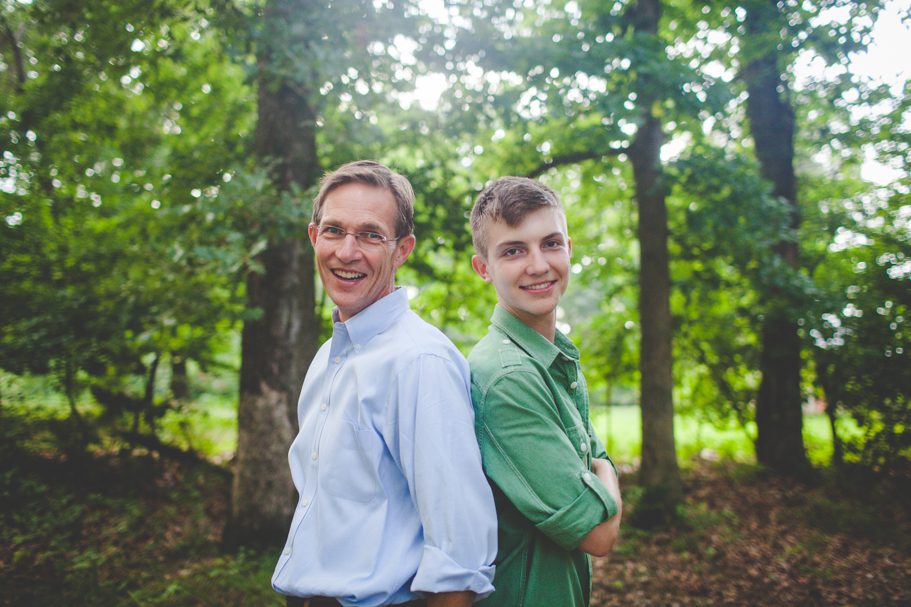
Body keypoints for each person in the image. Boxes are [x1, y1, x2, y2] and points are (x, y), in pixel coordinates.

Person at [272, 160, 498, 607]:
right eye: (334, 231)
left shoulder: (419, 362)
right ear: (314, 237)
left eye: (371, 235)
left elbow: (459, 551)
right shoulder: (328, 358)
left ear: (402, 250)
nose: (347, 251)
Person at [467, 176, 622, 607]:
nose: (538, 265)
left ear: (569, 249)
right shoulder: (506, 376)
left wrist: (598, 471)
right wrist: (606, 472)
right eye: (514, 250)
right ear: (483, 268)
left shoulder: (552, 357)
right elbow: (598, 532)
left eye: (550, 243)